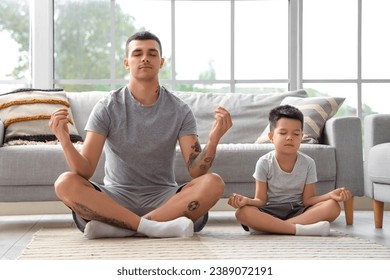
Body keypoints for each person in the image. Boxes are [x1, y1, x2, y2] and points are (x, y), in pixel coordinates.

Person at [49, 31, 232, 239]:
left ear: (161, 62)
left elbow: (196, 172)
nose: (145, 58)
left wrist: (214, 139)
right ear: (127, 63)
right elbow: (85, 170)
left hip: (165, 199)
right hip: (115, 198)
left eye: (152, 54)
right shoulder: (107, 107)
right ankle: (152, 228)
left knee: (213, 182)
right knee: (65, 182)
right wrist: (64, 140)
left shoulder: (180, 110)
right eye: (137, 53)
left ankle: (121, 227)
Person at [228, 104, 351, 236]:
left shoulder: (308, 163)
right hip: (271, 211)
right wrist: (246, 201)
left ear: (302, 137)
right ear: (271, 137)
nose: (289, 138)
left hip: (299, 210)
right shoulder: (264, 162)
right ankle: (299, 229)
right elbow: (261, 201)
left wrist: (330, 195)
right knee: (242, 212)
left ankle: (271, 227)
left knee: (332, 207)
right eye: (282, 133)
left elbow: (308, 200)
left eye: (296, 133)